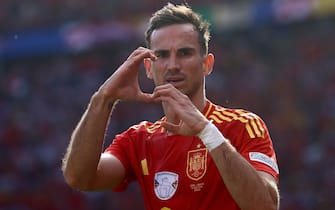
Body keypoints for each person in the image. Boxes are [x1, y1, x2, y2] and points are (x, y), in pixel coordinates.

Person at [62, 3, 280, 210]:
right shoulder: (139, 140)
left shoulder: (243, 126)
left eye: (185, 53)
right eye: (162, 55)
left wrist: (207, 131)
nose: (173, 65)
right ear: (148, 68)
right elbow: (79, 178)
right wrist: (102, 99)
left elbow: (266, 206)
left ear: (207, 64)